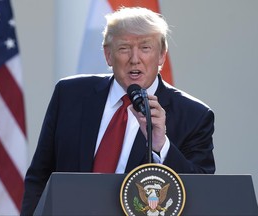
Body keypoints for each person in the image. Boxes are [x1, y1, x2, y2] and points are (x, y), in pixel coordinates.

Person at [20, 7, 215, 215]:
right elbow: (40, 177)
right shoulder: (69, 95)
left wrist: (161, 145)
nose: (134, 58)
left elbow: (200, 194)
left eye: (145, 48)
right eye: (124, 48)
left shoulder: (194, 115)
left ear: (161, 56)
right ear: (108, 55)